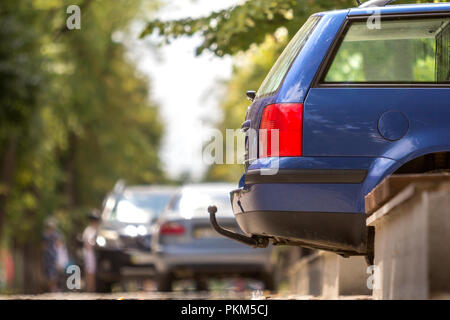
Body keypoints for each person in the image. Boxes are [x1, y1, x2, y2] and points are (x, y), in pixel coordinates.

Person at [82, 210, 100, 292]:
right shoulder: (89, 230)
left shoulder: (97, 230)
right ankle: (90, 289)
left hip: (94, 253)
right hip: (90, 253)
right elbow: (88, 244)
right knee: (90, 272)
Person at [42, 218, 60, 292]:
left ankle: (52, 288)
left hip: (50, 255)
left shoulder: (47, 234)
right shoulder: (50, 235)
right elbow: (58, 244)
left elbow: (43, 246)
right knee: (50, 272)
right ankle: (52, 288)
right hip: (49, 255)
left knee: (51, 272)